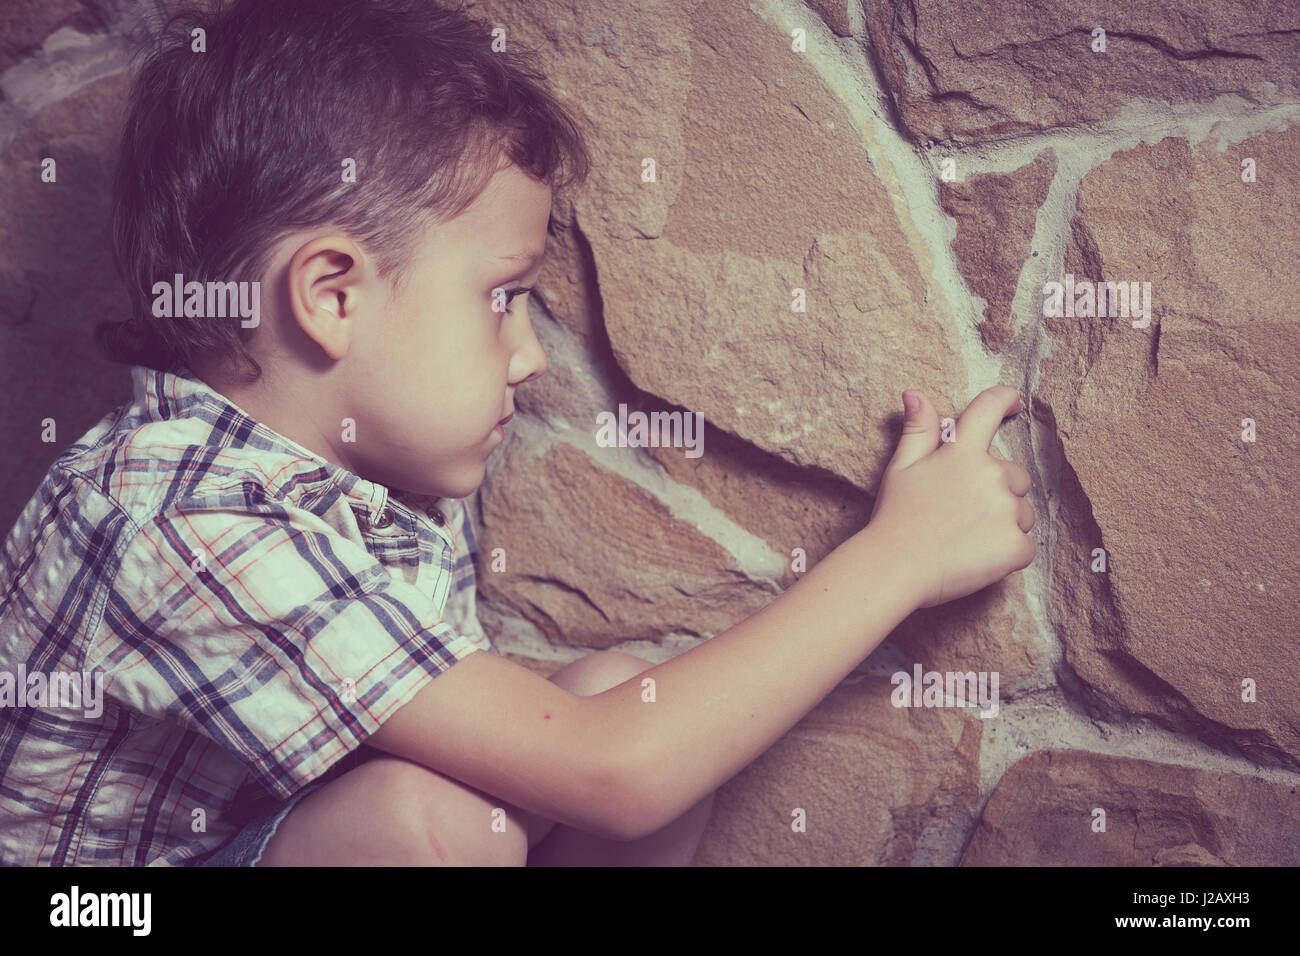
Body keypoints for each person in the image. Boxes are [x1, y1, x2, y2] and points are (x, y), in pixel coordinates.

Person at [0, 0, 1034, 867]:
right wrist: (895, 560)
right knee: (435, 827)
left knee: (614, 696)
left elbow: (619, 752)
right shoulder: (178, 521)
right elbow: (612, 772)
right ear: (330, 294)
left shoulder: (363, 471)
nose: (530, 355)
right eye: (503, 297)